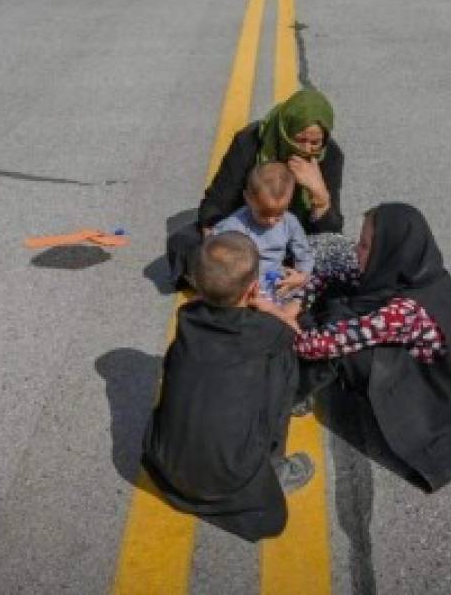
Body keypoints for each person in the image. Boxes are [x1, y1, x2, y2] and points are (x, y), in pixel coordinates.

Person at [285, 204, 451, 492]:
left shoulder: (405, 312)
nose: (356, 251)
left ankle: (293, 392)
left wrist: (285, 321)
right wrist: (305, 295)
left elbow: (319, 345)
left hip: (439, 400)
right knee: (341, 298)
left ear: (389, 252)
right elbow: (341, 278)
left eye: (364, 246)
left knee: (339, 339)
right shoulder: (424, 275)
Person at [142, 232, 313, 542]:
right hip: (228, 476)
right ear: (252, 288)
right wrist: (266, 306)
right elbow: (294, 331)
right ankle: (274, 465)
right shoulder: (264, 331)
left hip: (167, 464)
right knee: (283, 360)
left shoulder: (187, 320)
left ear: (196, 282)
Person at [166, 87, 343, 288]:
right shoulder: (250, 141)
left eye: (314, 143)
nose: (306, 149)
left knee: (339, 254)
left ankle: (280, 284)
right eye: (299, 139)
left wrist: (320, 195)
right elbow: (216, 203)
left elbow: (331, 230)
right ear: (284, 130)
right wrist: (222, 253)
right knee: (183, 243)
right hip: (244, 234)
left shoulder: (330, 156)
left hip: (294, 240)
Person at [213, 162, 314, 302]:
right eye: (264, 214)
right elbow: (214, 252)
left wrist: (301, 276)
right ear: (248, 198)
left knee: (309, 295)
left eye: (279, 214)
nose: (272, 221)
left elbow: (304, 253)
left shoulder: (289, 222)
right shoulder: (235, 226)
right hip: (244, 289)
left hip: (278, 286)